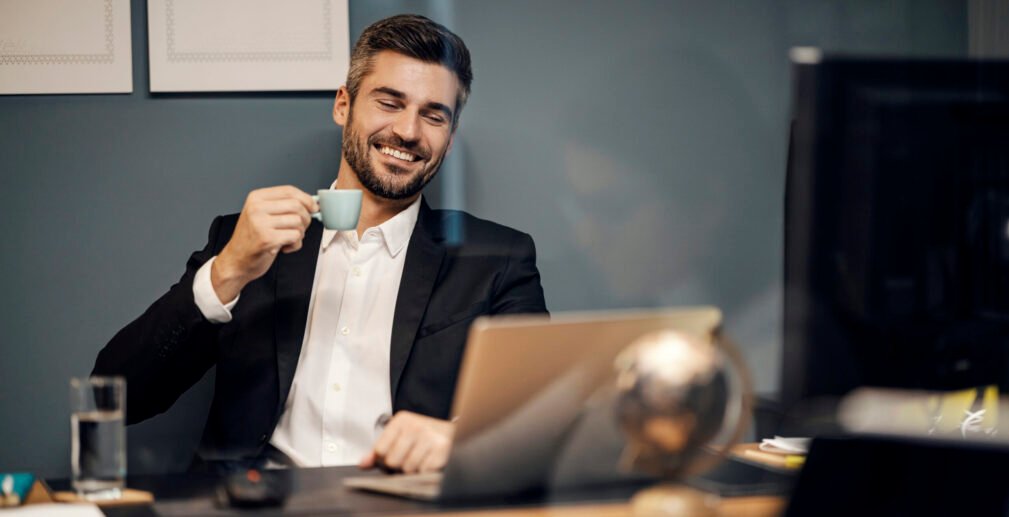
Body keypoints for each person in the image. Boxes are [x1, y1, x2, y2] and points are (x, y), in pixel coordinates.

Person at [93, 14, 547, 474]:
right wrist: (227, 270)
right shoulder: (245, 240)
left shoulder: (497, 261)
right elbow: (116, 398)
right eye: (389, 102)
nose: (409, 131)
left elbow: (542, 415)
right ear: (343, 106)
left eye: (433, 116)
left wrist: (459, 437)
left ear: (449, 140)